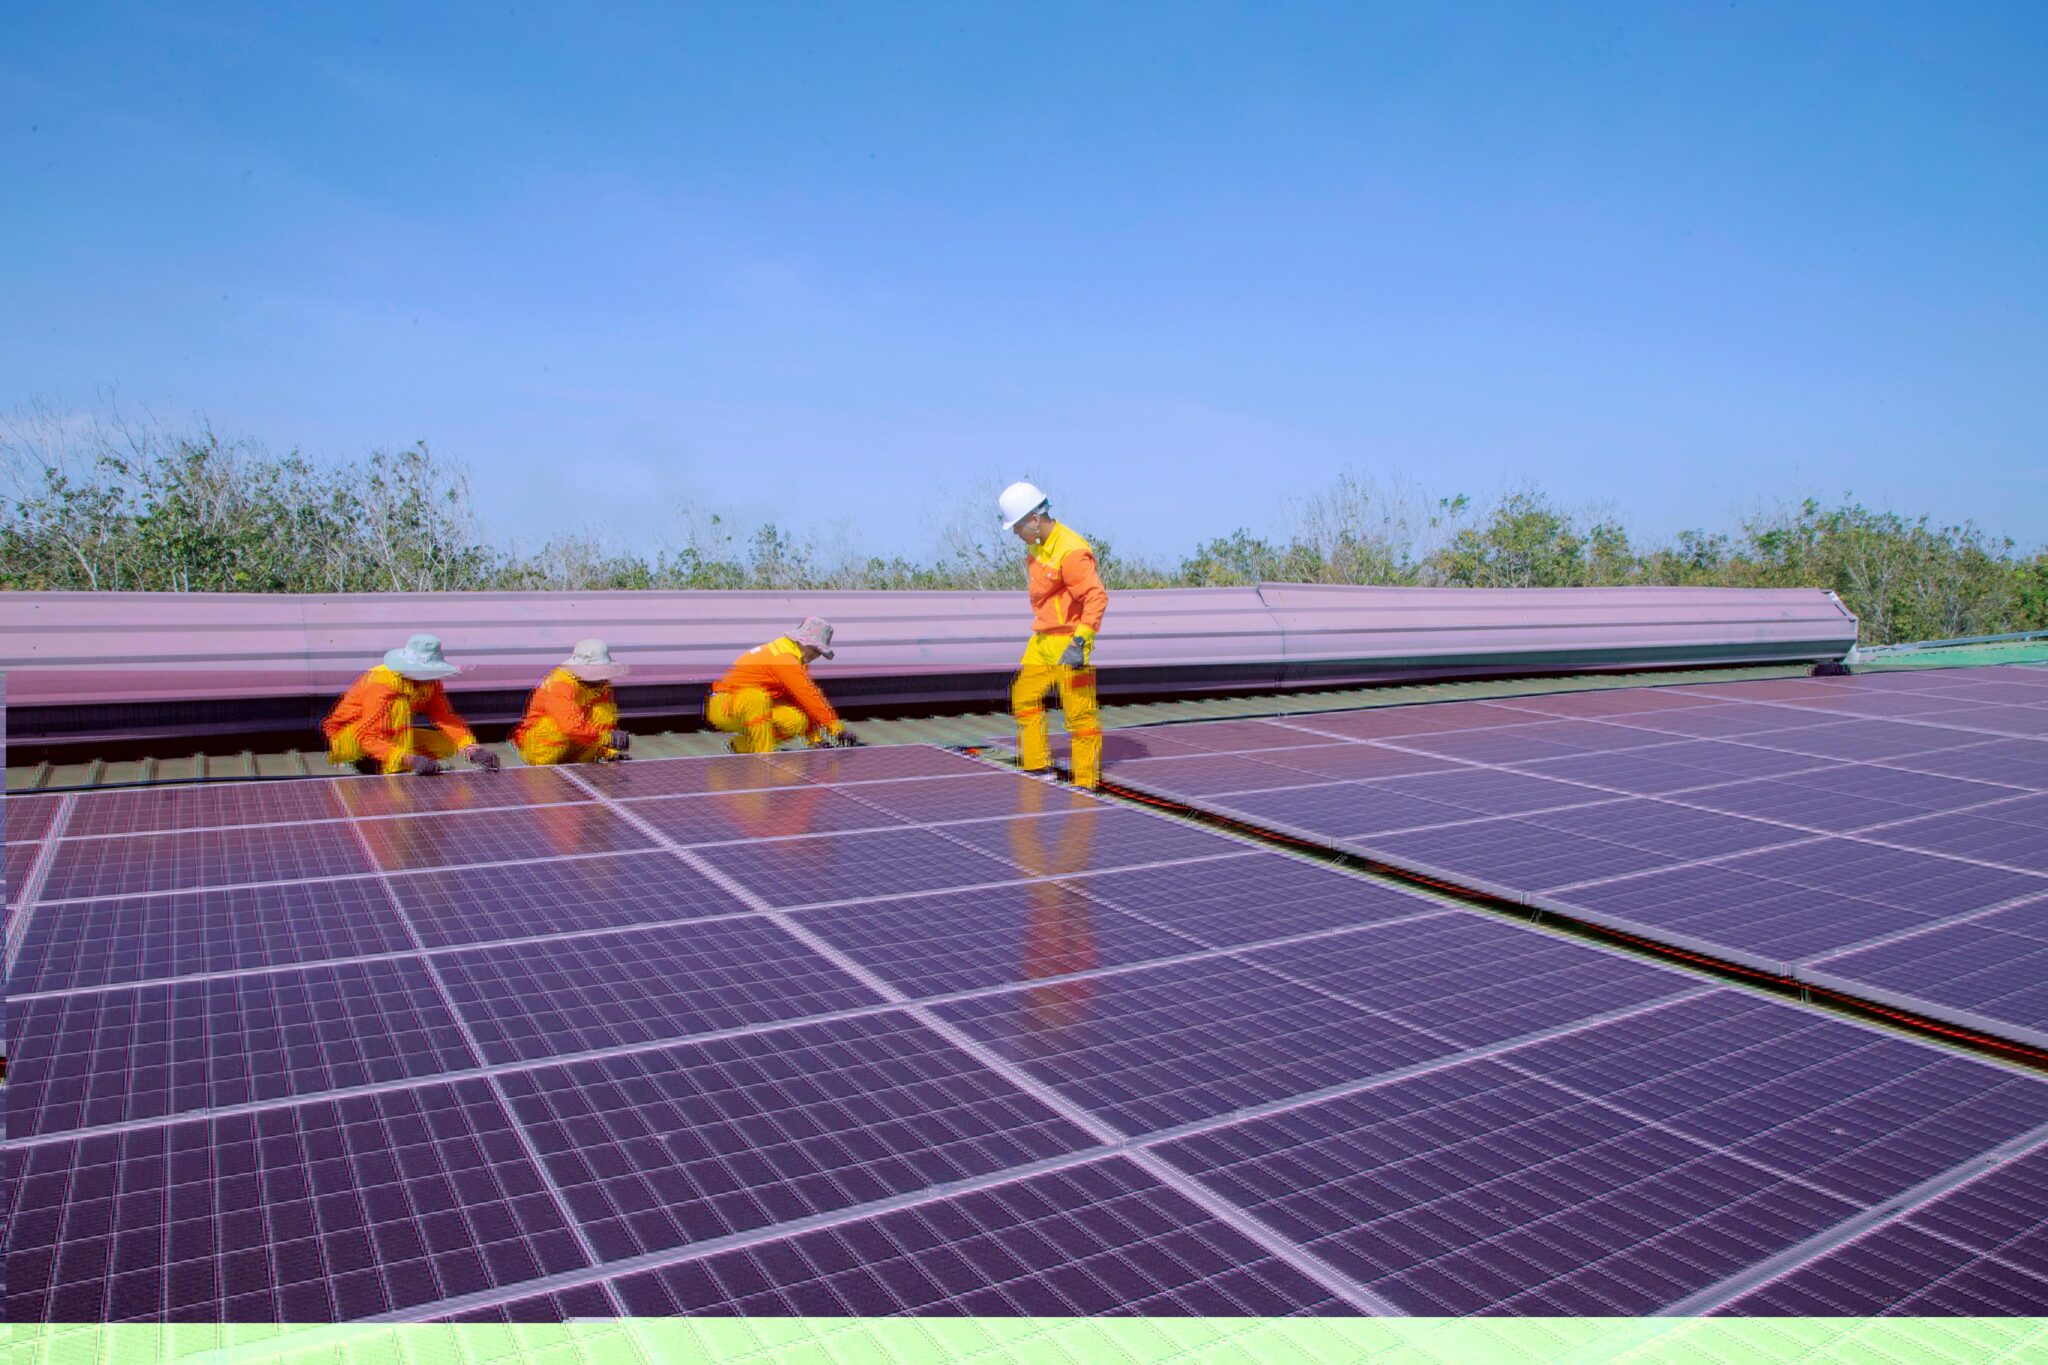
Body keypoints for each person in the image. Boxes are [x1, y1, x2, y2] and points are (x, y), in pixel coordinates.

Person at [1000, 481, 1108, 788]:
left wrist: (1080, 642)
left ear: (1034, 519)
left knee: (1079, 716)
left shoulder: (1071, 551)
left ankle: (1085, 784)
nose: (1017, 535)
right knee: (1024, 696)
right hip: (1042, 640)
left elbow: (1096, 597)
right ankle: (1036, 767)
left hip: (1069, 642)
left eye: (1018, 527)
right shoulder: (1037, 545)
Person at [323, 634, 501, 776]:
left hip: (390, 734)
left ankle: (405, 760)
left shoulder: (430, 683)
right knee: (398, 706)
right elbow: (367, 736)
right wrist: (410, 760)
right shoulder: (380, 684)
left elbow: (444, 717)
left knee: (446, 744)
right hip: (351, 738)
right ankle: (386, 765)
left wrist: (471, 749)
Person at [705, 617, 859, 753]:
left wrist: (815, 740)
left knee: (796, 720)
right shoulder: (783, 659)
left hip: (747, 708)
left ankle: (741, 746)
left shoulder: (793, 658)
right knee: (755, 698)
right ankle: (764, 758)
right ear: (802, 641)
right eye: (815, 649)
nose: (816, 655)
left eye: (820, 652)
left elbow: (800, 700)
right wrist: (835, 728)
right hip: (723, 707)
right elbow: (806, 694)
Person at [511, 639, 632, 766]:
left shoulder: (602, 685)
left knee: (600, 714)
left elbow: (605, 722)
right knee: (552, 726)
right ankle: (544, 767)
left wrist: (610, 751)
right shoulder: (559, 683)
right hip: (537, 746)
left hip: (573, 746)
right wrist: (607, 738)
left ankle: (581, 765)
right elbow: (570, 726)